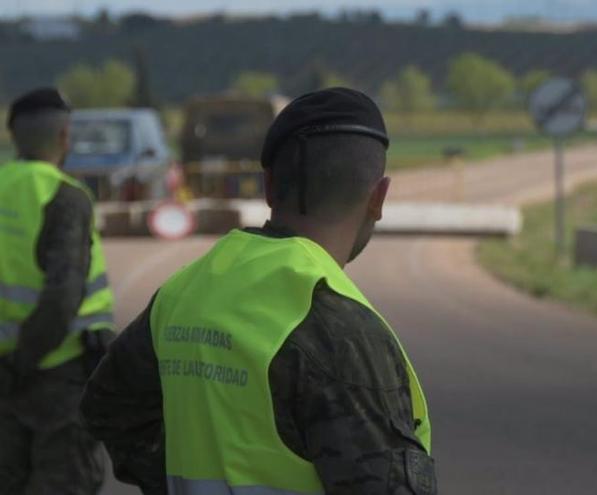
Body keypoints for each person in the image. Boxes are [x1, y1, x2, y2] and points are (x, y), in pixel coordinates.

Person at [81, 88, 436, 494]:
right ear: (379, 198)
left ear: (267, 186)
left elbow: (107, 405)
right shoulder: (340, 329)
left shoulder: (183, 292)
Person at [0, 88, 115, 493]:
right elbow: (62, 295)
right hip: (57, 375)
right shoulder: (65, 196)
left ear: (13, 137)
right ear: (65, 136)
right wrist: (25, 360)